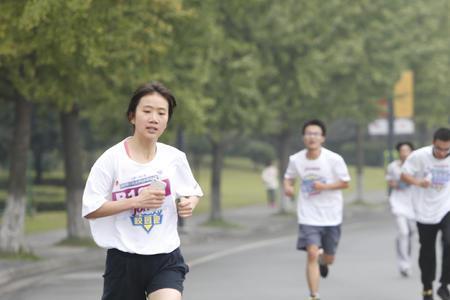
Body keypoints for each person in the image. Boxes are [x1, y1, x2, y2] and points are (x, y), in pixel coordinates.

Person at [82, 82, 203, 300]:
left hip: (166, 258)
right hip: (124, 262)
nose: (154, 118)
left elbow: (192, 192)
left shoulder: (174, 158)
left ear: (167, 120)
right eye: (147, 111)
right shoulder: (111, 160)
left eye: (161, 113)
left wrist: (189, 203)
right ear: (132, 116)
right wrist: (136, 201)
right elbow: (91, 209)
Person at [283, 119, 350, 300]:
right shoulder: (296, 159)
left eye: (316, 134)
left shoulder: (334, 159)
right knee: (311, 253)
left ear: (323, 138)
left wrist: (324, 187)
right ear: (303, 137)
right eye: (308, 133)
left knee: (329, 258)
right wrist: (288, 187)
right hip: (308, 215)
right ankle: (314, 295)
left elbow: (345, 183)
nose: (312, 137)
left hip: (331, 215)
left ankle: (324, 261)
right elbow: (288, 177)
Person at [401, 127, 450, 300]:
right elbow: (404, 175)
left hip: (446, 207)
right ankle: (427, 286)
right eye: (439, 148)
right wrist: (418, 182)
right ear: (433, 144)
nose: (443, 153)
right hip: (424, 211)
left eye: (447, 149)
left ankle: (444, 284)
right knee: (427, 251)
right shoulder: (419, 156)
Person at [385, 141, 416, 277]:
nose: (405, 153)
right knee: (403, 232)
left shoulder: (416, 166)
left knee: (411, 233)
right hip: (398, 203)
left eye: (407, 150)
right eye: (402, 151)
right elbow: (390, 182)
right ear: (399, 152)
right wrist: (398, 183)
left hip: (413, 204)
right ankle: (404, 264)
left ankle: (406, 258)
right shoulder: (393, 166)